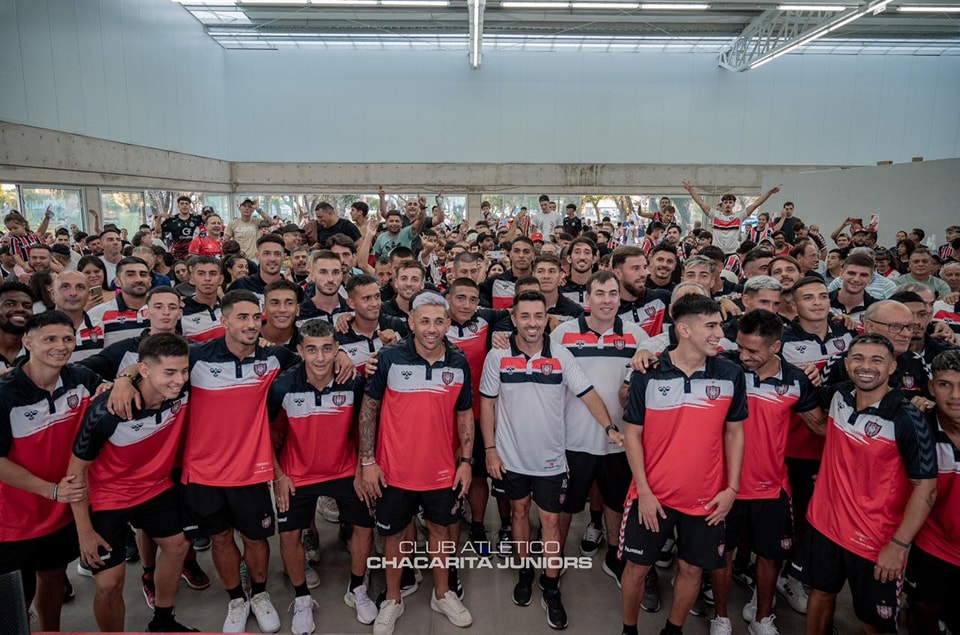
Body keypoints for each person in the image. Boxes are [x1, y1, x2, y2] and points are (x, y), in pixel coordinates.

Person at [480, 289, 617, 630]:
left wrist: (611, 428)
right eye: (524, 316)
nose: (531, 323)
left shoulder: (561, 355)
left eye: (538, 316)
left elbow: (588, 395)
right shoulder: (497, 358)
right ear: (513, 319)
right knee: (519, 513)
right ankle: (526, 571)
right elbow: (487, 404)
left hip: (551, 461)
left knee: (552, 523)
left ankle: (551, 585)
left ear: (547, 319)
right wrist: (490, 450)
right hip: (510, 458)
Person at [790, 333, 937, 635]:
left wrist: (898, 546)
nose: (865, 366)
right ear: (847, 363)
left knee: (874, 623)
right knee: (820, 595)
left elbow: (926, 489)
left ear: (892, 367)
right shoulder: (839, 395)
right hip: (824, 526)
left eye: (876, 360)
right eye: (858, 358)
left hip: (875, 541)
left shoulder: (908, 418)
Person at [619, 294, 747, 635]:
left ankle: (672, 630)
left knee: (692, 570)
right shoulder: (650, 371)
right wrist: (644, 491)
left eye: (719, 324)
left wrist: (732, 488)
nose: (719, 332)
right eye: (711, 325)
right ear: (684, 330)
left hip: (707, 500)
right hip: (652, 497)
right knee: (636, 568)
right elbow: (632, 435)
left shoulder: (731, 373)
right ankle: (628, 629)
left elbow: (735, 434)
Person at [358, 291, 474, 635]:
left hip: (441, 472)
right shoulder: (389, 359)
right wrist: (367, 461)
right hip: (393, 471)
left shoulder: (458, 361)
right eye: (424, 320)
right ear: (411, 322)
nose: (432, 328)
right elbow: (369, 409)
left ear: (448, 323)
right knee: (393, 537)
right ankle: (393, 599)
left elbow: (465, 413)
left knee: (441, 532)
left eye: (439, 321)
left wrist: (466, 460)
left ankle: (443, 593)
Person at [67, 334, 196, 632]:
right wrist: (84, 532)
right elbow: (75, 473)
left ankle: (163, 621)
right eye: (169, 373)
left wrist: (126, 376)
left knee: (177, 546)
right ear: (146, 370)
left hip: (156, 486)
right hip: (108, 497)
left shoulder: (182, 386)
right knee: (110, 584)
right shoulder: (106, 411)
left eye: (184, 371)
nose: (179, 380)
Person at [710, 310, 825, 635]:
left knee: (770, 557)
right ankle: (721, 618)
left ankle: (762, 617)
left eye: (753, 351)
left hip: (772, 487)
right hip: (723, 486)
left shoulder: (796, 380)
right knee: (722, 556)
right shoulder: (722, 366)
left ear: (776, 346)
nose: (744, 356)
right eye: (741, 347)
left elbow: (820, 427)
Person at [267, 319, 376, 632]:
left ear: (336, 350)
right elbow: (270, 433)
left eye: (327, 349)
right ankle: (302, 598)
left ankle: (357, 588)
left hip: (345, 470)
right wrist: (278, 476)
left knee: (364, 528)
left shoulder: (352, 381)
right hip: (297, 474)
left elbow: (363, 428)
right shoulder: (283, 385)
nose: (320, 357)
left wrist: (360, 469)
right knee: (289, 535)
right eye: (312, 350)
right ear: (300, 351)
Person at [0, 311, 104, 631]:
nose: (61, 346)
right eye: (50, 339)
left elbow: (115, 385)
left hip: (60, 513)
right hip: (12, 521)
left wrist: (124, 383)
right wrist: (52, 490)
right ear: (28, 342)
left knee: (54, 577)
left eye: (67, 338)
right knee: (15, 598)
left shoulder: (80, 379)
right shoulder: (4, 395)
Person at [551, 272, 649, 586]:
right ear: (587, 299)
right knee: (564, 507)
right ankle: (556, 559)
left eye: (612, 293)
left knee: (615, 503)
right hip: (572, 439)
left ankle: (614, 557)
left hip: (619, 441)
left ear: (620, 298)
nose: (606, 300)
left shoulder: (638, 336)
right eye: (600, 294)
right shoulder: (564, 334)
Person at [905, 349, 960, 634]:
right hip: (933, 543)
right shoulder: (918, 426)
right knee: (923, 610)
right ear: (930, 386)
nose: (955, 395)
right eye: (945, 384)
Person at [683, 181, 780, 255]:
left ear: (734, 204)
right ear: (722, 204)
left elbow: (756, 204)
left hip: (733, 253)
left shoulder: (739, 216)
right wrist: (690, 189)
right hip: (717, 253)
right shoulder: (715, 215)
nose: (728, 205)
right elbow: (700, 202)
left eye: (730, 202)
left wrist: (769, 192)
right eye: (725, 202)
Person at [88, 256, 151, 347]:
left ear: (150, 280)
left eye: (143, 274)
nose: (138, 279)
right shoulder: (98, 314)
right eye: (130, 274)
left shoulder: (164, 311)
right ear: (117, 282)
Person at [614, 246, 672, 337]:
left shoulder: (663, 299)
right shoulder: (610, 310)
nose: (644, 273)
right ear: (618, 273)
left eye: (644, 267)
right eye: (635, 268)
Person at [479, 236, 537, 310]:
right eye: (516, 251)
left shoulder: (540, 281)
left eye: (526, 252)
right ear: (510, 254)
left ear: (533, 256)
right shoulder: (495, 281)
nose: (521, 255)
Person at [297, 250, 351, 326]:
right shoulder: (298, 314)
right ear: (312, 276)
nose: (330, 279)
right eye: (323, 272)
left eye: (335, 272)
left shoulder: (353, 310)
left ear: (341, 276)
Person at [160, 197, 203, 261]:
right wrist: (159, 218)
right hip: (177, 253)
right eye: (182, 204)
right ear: (178, 206)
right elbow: (158, 231)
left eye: (186, 204)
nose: (184, 205)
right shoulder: (172, 220)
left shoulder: (197, 219)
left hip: (193, 252)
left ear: (189, 206)